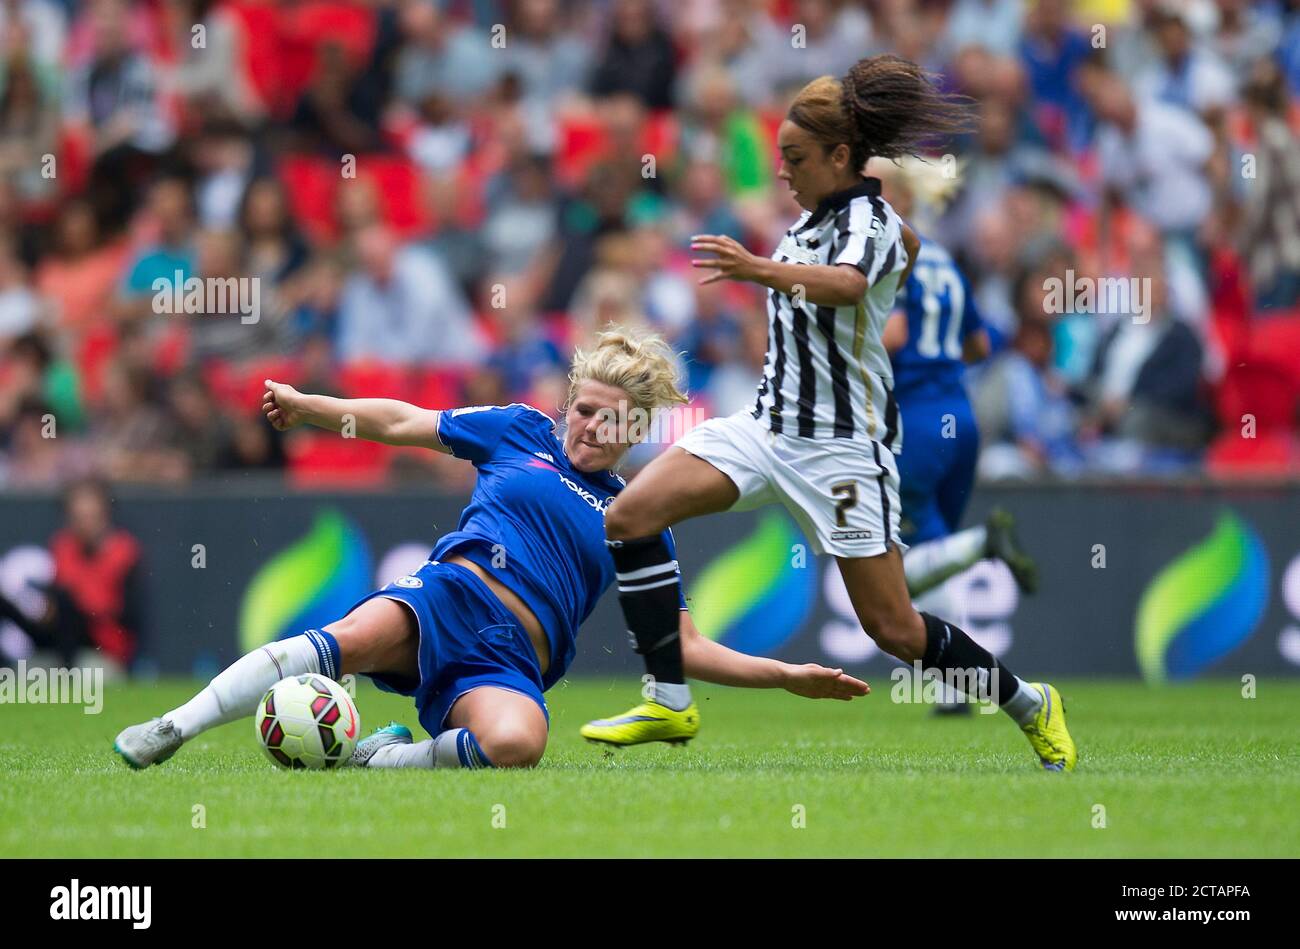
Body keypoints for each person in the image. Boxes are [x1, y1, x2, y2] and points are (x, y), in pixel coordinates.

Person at [583, 56, 1077, 771]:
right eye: (781, 158)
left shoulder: (868, 220)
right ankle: (667, 696)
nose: (783, 172)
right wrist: (896, 255)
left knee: (894, 627)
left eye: (796, 158)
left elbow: (847, 286)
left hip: (843, 448)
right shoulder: (822, 224)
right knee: (628, 516)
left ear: (841, 155)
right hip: (764, 429)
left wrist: (759, 269)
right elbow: (901, 252)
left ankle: (1031, 701)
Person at [113, 328, 869, 771]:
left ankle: (381, 760)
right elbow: (406, 421)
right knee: (340, 642)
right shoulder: (518, 430)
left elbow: (683, 646)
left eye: (610, 422)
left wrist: (785, 675)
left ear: (636, 430)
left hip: (509, 661)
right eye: (583, 409)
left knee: (518, 745)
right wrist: (315, 409)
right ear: (568, 402)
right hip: (447, 597)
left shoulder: (640, 513)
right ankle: (175, 727)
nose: (588, 428)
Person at [877, 156, 1038, 716]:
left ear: (892, 195)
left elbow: (892, 335)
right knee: (930, 546)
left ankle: (982, 547)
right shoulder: (945, 258)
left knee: (898, 561)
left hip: (915, 422)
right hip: (959, 419)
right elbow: (980, 345)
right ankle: (953, 691)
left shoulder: (892, 254)